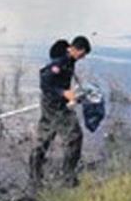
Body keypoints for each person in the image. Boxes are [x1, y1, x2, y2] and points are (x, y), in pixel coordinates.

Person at [29, 36, 92, 187]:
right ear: (76, 49)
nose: (82, 58)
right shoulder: (59, 62)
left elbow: (61, 80)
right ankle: (68, 177)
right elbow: (45, 82)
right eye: (82, 55)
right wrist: (63, 93)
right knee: (74, 136)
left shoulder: (70, 60)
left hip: (54, 103)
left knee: (45, 136)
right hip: (54, 105)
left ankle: (34, 174)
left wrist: (73, 93)